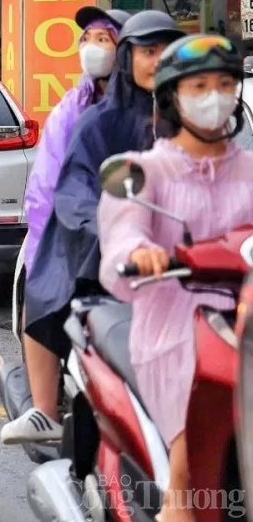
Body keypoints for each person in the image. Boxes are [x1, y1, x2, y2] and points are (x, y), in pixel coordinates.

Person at [98, 34, 252, 522]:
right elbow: (121, 238)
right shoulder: (144, 172)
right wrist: (142, 254)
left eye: (225, 83)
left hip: (245, 326)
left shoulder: (251, 168)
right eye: (199, 84)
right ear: (171, 98)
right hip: (178, 335)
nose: (214, 95)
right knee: (191, 476)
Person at [12, 10, 184, 444]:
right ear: (129, 56)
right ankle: (45, 410)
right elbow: (70, 186)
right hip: (90, 240)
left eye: (167, 50)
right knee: (45, 288)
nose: (157, 60)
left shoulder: (191, 122)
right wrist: (108, 231)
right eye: (147, 51)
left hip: (185, 252)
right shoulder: (92, 115)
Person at [0, 6, 129, 443]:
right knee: (42, 295)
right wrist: (51, 235)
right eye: (87, 39)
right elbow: (50, 181)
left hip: (139, 234)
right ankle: (44, 409)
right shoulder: (76, 106)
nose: (92, 48)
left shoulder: (151, 109)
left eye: (104, 40)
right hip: (72, 231)